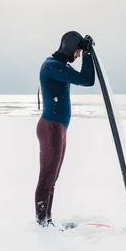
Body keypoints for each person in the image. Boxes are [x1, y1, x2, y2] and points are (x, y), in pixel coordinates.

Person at [35, 31, 95, 227]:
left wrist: (86, 51)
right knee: (47, 177)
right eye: (77, 51)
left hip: (58, 128)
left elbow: (85, 79)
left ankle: (47, 222)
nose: (77, 56)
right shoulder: (52, 67)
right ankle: (41, 225)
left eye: (80, 53)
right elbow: (87, 80)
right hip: (51, 128)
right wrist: (87, 54)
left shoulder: (59, 66)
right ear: (70, 48)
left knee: (53, 177)